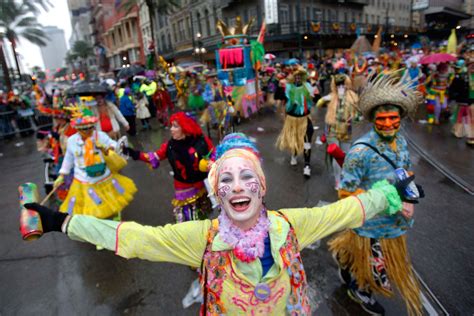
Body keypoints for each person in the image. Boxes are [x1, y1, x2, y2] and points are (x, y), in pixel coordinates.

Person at [25, 132, 418, 315]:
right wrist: (60, 221)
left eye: (247, 177)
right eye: (225, 180)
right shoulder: (203, 238)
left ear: (261, 187)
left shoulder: (290, 225)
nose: (237, 187)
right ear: (218, 194)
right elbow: (133, 238)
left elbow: (343, 213)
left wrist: (389, 192)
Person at [328, 72, 425, 315]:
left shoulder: (401, 142)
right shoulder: (360, 152)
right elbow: (345, 193)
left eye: (393, 118)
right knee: (372, 269)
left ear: (401, 118)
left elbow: (403, 170)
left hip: (396, 223)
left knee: (375, 264)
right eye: (382, 119)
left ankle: (345, 260)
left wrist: (409, 194)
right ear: (373, 120)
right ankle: (360, 290)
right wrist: (386, 201)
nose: (389, 124)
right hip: (371, 225)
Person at [125, 112, 215, 223]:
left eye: (175, 126)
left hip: (202, 186)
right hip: (184, 189)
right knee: (187, 219)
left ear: (185, 128)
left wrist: (211, 163)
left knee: (203, 216)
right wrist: (133, 153)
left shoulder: (201, 140)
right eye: (171, 126)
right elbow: (153, 157)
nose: (171, 129)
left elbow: (215, 154)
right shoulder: (170, 146)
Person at [55, 105, 137, 219]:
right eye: (84, 128)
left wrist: (106, 148)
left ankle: (115, 215)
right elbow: (68, 158)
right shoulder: (72, 140)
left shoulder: (100, 135)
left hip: (103, 174)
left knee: (111, 199)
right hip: (83, 178)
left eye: (90, 127)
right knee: (92, 203)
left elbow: (114, 145)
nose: (88, 131)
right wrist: (62, 175)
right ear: (77, 128)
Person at [317, 73, 359, 189]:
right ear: (335, 86)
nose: (341, 87)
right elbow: (318, 104)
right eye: (338, 85)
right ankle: (337, 180)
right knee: (336, 155)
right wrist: (325, 99)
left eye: (343, 84)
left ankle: (343, 177)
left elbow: (359, 116)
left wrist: (355, 117)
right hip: (332, 130)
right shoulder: (332, 97)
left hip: (347, 130)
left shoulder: (353, 97)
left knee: (344, 156)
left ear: (347, 84)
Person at [276, 67, 315, 177]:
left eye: (300, 76)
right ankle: (294, 153)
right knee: (295, 140)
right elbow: (280, 99)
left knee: (307, 141)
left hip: (305, 118)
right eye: (296, 76)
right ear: (294, 77)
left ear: (303, 78)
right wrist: (280, 89)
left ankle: (307, 165)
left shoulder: (307, 87)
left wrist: (315, 95)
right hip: (292, 119)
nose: (298, 78)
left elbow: (315, 99)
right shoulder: (289, 88)